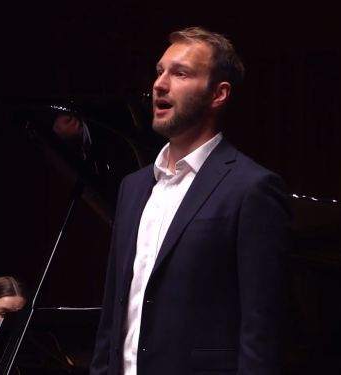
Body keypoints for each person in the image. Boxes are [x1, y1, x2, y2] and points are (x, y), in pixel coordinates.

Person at [90, 27, 291, 375]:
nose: (160, 85)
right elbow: (113, 310)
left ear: (218, 94)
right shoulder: (133, 187)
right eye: (160, 71)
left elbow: (262, 331)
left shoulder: (252, 188)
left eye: (180, 73)